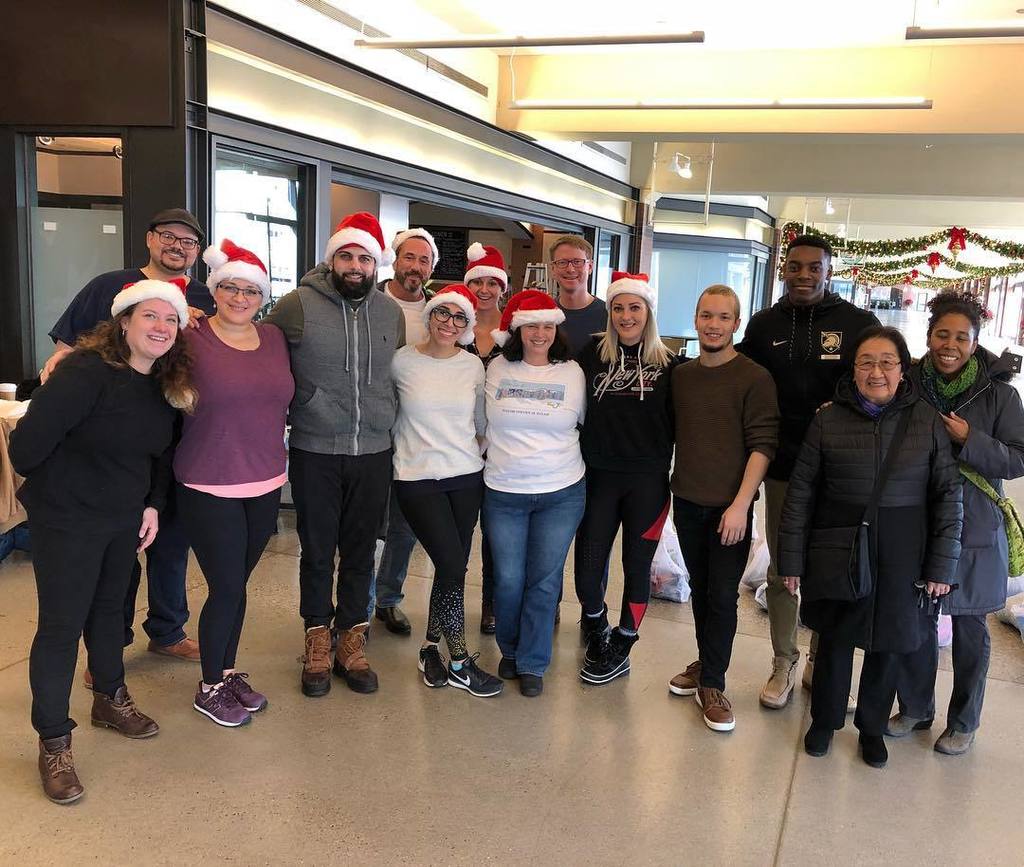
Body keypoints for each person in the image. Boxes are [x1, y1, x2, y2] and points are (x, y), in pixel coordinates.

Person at [10, 278, 196, 804]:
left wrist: (152, 504)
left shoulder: (164, 382)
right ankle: (54, 741)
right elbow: (26, 449)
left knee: (111, 612)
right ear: (124, 321)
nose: (161, 326)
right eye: (150, 316)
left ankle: (109, 699)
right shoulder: (86, 373)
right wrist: (71, 491)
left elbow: (160, 455)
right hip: (68, 520)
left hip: (124, 519)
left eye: (171, 319)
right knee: (61, 628)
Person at [778, 326, 963, 769]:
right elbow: (801, 492)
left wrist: (941, 565)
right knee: (835, 639)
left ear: (903, 370)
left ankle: (872, 728)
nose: (876, 372)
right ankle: (824, 722)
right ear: (853, 369)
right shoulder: (828, 419)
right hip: (838, 543)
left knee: (888, 644)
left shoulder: (926, 420)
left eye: (886, 362)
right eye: (866, 362)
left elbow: (947, 495)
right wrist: (791, 559)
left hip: (904, 548)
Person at [40, 208, 215, 666]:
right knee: (120, 554)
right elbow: (64, 352)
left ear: (197, 252)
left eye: (189, 242)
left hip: (176, 438)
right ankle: (108, 649)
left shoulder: (206, 296)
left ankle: (167, 630)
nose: (178, 246)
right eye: (169, 236)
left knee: (170, 542)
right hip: (116, 445)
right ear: (150, 239)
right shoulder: (108, 286)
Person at [264, 211, 405, 697]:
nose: (355, 266)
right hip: (315, 449)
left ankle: (351, 638)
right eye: (346, 256)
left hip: (374, 450)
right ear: (332, 260)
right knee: (318, 550)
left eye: (364, 258)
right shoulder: (297, 304)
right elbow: (258, 347)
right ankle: (317, 638)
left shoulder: (390, 312)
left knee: (362, 550)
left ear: (375, 264)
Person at [738, 234, 878, 710]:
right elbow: (741, 380)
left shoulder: (857, 324)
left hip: (838, 470)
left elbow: (877, 381)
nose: (803, 275)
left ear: (828, 270)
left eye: (814, 267)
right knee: (783, 569)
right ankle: (784, 661)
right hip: (781, 466)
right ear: (783, 269)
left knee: (828, 568)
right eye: (795, 266)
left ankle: (822, 661)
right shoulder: (764, 325)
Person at [888, 292, 1024, 755]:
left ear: (975, 342)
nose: (950, 345)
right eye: (942, 335)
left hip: (976, 525)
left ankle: (964, 721)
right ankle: (915, 708)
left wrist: (971, 439)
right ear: (928, 337)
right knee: (918, 621)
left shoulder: (1000, 394)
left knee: (969, 627)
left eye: (961, 337)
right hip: (919, 518)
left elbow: (1018, 459)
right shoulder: (909, 384)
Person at [176, 240, 294, 727]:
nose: (240, 298)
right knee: (225, 587)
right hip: (209, 480)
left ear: (262, 297)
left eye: (251, 290)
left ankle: (225, 672)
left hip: (266, 479)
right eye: (230, 287)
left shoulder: (274, 337)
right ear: (214, 290)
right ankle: (209, 687)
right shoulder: (190, 336)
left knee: (238, 586)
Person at [667, 285, 778, 731]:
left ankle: (713, 683)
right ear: (696, 320)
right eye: (706, 316)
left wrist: (740, 505)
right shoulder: (682, 376)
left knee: (721, 595)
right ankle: (707, 662)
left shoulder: (754, 378)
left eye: (723, 317)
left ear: (736, 323)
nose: (713, 325)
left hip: (729, 509)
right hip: (686, 500)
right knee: (700, 588)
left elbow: (763, 446)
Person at [390, 284, 503, 697]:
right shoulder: (401, 362)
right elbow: (387, 414)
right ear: (430, 315)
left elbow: (482, 422)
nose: (449, 323)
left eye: (459, 318)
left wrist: (474, 451)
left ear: (467, 325)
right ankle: (459, 661)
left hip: (465, 477)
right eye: (443, 313)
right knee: (454, 565)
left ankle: (428, 649)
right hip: (417, 477)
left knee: (449, 566)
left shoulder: (472, 366)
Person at [574, 271, 676, 684]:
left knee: (636, 567)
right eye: (618, 307)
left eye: (635, 307)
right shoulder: (592, 354)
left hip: (648, 483)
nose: (626, 315)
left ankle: (624, 640)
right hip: (598, 478)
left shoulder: (669, 365)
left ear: (648, 312)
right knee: (587, 568)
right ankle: (596, 624)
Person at [483, 290, 586, 697]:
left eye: (547, 326)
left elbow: (584, 423)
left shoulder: (572, 372)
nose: (540, 334)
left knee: (544, 581)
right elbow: (480, 423)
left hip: (561, 491)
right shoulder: (496, 368)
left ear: (556, 329)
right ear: (518, 330)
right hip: (504, 491)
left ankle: (532, 662)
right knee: (508, 579)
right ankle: (509, 649)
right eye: (531, 326)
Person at [370, 227, 439, 637]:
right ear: (395, 260)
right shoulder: (370, 300)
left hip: (417, 434)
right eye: (409, 257)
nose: (415, 266)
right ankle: (358, 605)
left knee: (405, 525)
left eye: (424, 260)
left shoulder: (439, 310)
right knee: (366, 524)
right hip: (372, 430)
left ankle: (387, 598)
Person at [463, 242, 510, 634]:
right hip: (459, 445)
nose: (484, 289)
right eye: (477, 282)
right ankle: (448, 603)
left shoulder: (512, 334)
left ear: (502, 288)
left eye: (492, 282)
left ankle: (491, 604)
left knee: (496, 535)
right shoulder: (453, 325)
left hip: (500, 447)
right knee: (458, 535)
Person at [549, 235, 607, 357]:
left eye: (577, 262)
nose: (570, 269)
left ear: (590, 267)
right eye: (562, 262)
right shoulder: (544, 314)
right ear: (553, 269)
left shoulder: (609, 315)